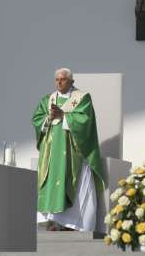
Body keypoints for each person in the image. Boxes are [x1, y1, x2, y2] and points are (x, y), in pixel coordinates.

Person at [32, 67, 104, 231]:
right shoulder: (47, 100)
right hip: (51, 152)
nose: (59, 82)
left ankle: (74, 224)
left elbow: (86, 121)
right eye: (57, 79)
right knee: (52, 183)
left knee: (74, 183)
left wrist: (63, 116)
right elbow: (37, 120)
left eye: (63, 79)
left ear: (71, 81)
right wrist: (48, 118)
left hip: (73, 153)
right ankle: (55, 222)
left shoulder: (82, 98)